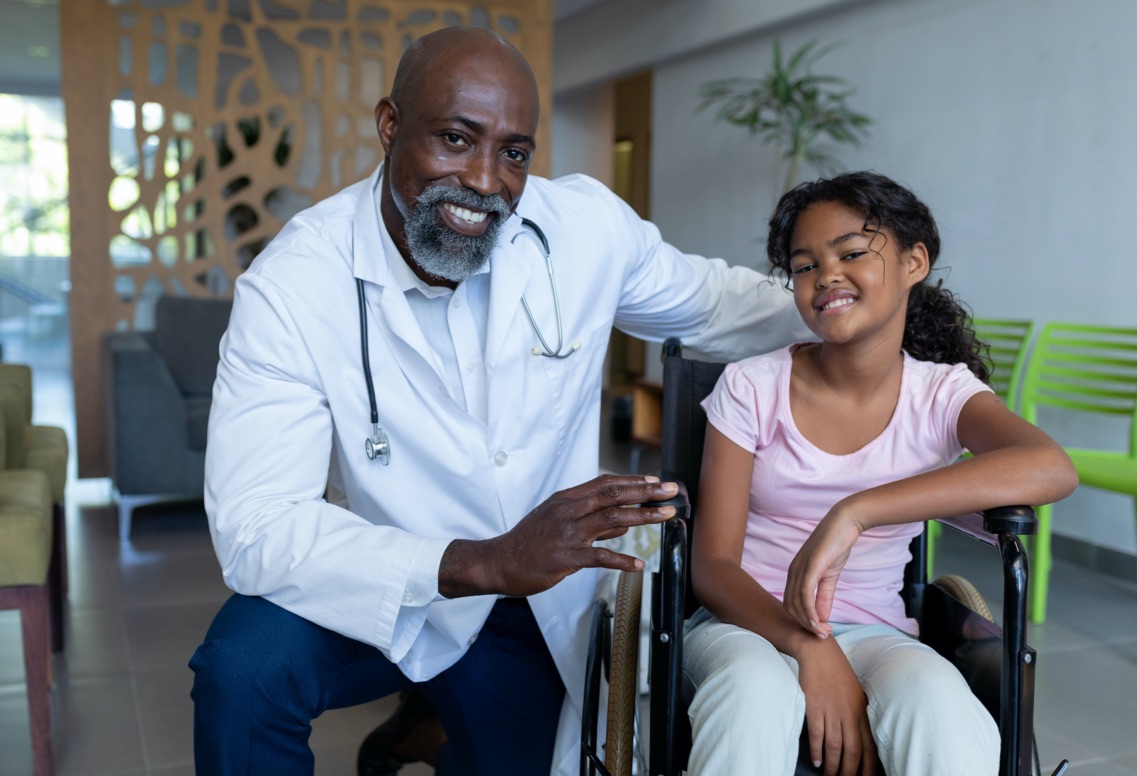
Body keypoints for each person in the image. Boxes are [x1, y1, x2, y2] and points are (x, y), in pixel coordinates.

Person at [189, 25, 808, 776]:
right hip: (384, 580)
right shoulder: (293, 286)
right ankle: (430, 708)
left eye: (513, 152)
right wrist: (477, 562)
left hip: (531, 599)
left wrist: (852, 305)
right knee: (242, 671)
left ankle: (431, 727)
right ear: (389, 127)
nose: (485, 181)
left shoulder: (580, 229)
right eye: (454, 139)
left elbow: (717, 305)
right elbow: (258, 527)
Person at [684, 171, 1078, 776]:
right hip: (745, 623)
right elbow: (712, 567)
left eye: (851, 252)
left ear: (915, 261)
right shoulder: (752, 386)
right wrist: (807, 648)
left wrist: (857, 509)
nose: (826, 276)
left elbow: (1050, 467)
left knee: (937, 701)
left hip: (875, 631)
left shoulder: (941, 394)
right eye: (805, 265)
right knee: (751, 690)